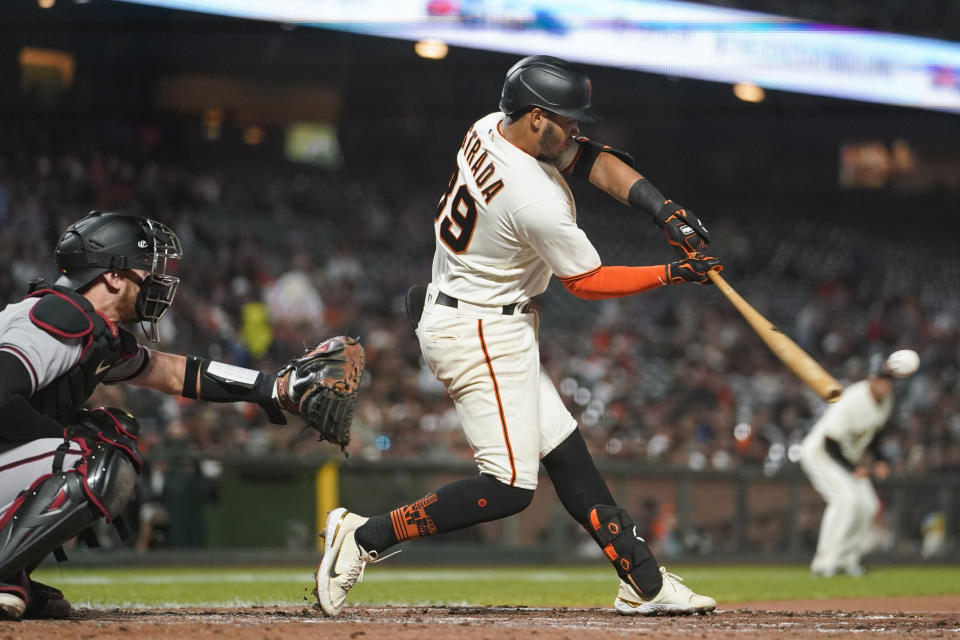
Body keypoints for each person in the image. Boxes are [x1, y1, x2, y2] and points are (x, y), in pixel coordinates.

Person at [315, 55, 720, 617]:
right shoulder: (532, 197)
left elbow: (594, 161)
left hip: (477, 311)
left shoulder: (490, 125)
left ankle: (644, 584)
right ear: (535, 117)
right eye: (566, 118)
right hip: (479, 327)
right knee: (509, 487)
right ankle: (364, 536)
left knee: (568, 457)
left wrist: (663, 211)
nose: (577, 129)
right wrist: (672, 273)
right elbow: (587, 281)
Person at [0, 210, 353, 620]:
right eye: (145, 267)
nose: (155, 280)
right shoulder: (57, 318)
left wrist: (270, 389)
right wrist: (61, 439)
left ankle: (15, 571)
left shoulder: (89, 327)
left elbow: (174, 372)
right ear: (113, 276)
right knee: (96, 451)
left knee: (107, 432)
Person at [799, 349, 919, 577]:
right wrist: (853, 469)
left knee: (868, 506)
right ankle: (824, 563)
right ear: (870, 379)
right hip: (820, 453)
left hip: (848, 458)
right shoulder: (853, 400)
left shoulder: (886, 402)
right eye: (881, 380)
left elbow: (873, 435)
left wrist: (880, 460)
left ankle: (848, 560)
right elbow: (830, 441)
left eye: (888, 381)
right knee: (845, 500)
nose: (885, 385)